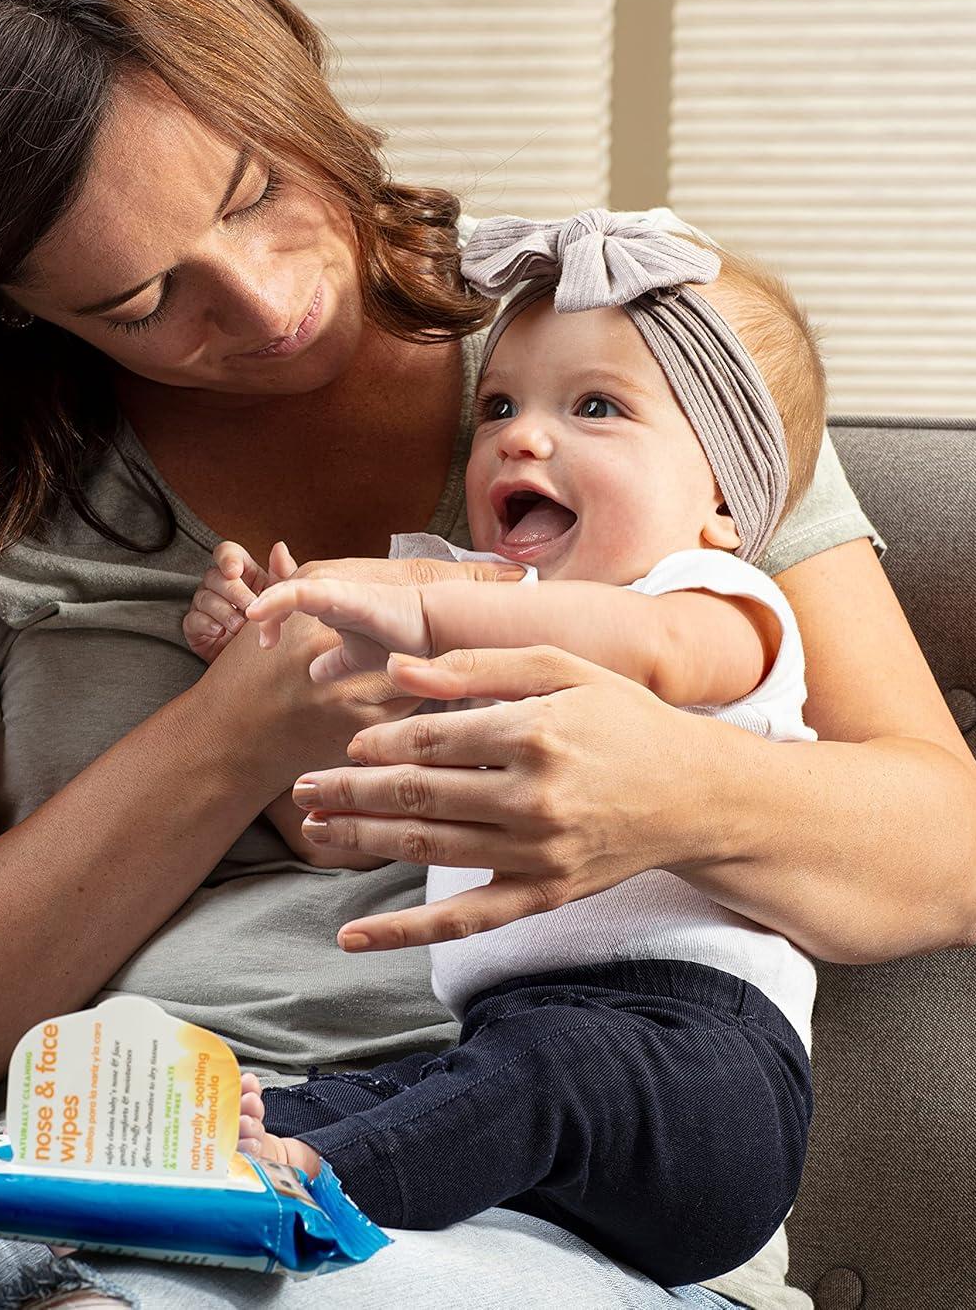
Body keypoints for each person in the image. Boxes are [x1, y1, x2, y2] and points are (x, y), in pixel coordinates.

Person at [0, 0, 976, 1310]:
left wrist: (671, 790)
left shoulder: (616, 349)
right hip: (92, 1158)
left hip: (530, 1187)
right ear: (6, 307)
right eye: (142, 297)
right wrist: (229, 735)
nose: (269, 303)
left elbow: (944, 864)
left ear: (285, 70)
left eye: (253, 189)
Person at [186, 209, 824, 1290]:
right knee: (378, 1094)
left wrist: (432, 602)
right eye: (499, 407)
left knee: (541, 1070)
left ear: (721, 498)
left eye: (596, 407)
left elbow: (651, 650)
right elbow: (339, 827)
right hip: (513, 1047)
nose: (522, 439)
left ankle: (315, 1189)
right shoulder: (485, 651)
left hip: (705, 1073)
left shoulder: (714, 599)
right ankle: (221, 1153)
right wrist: (261, 648)